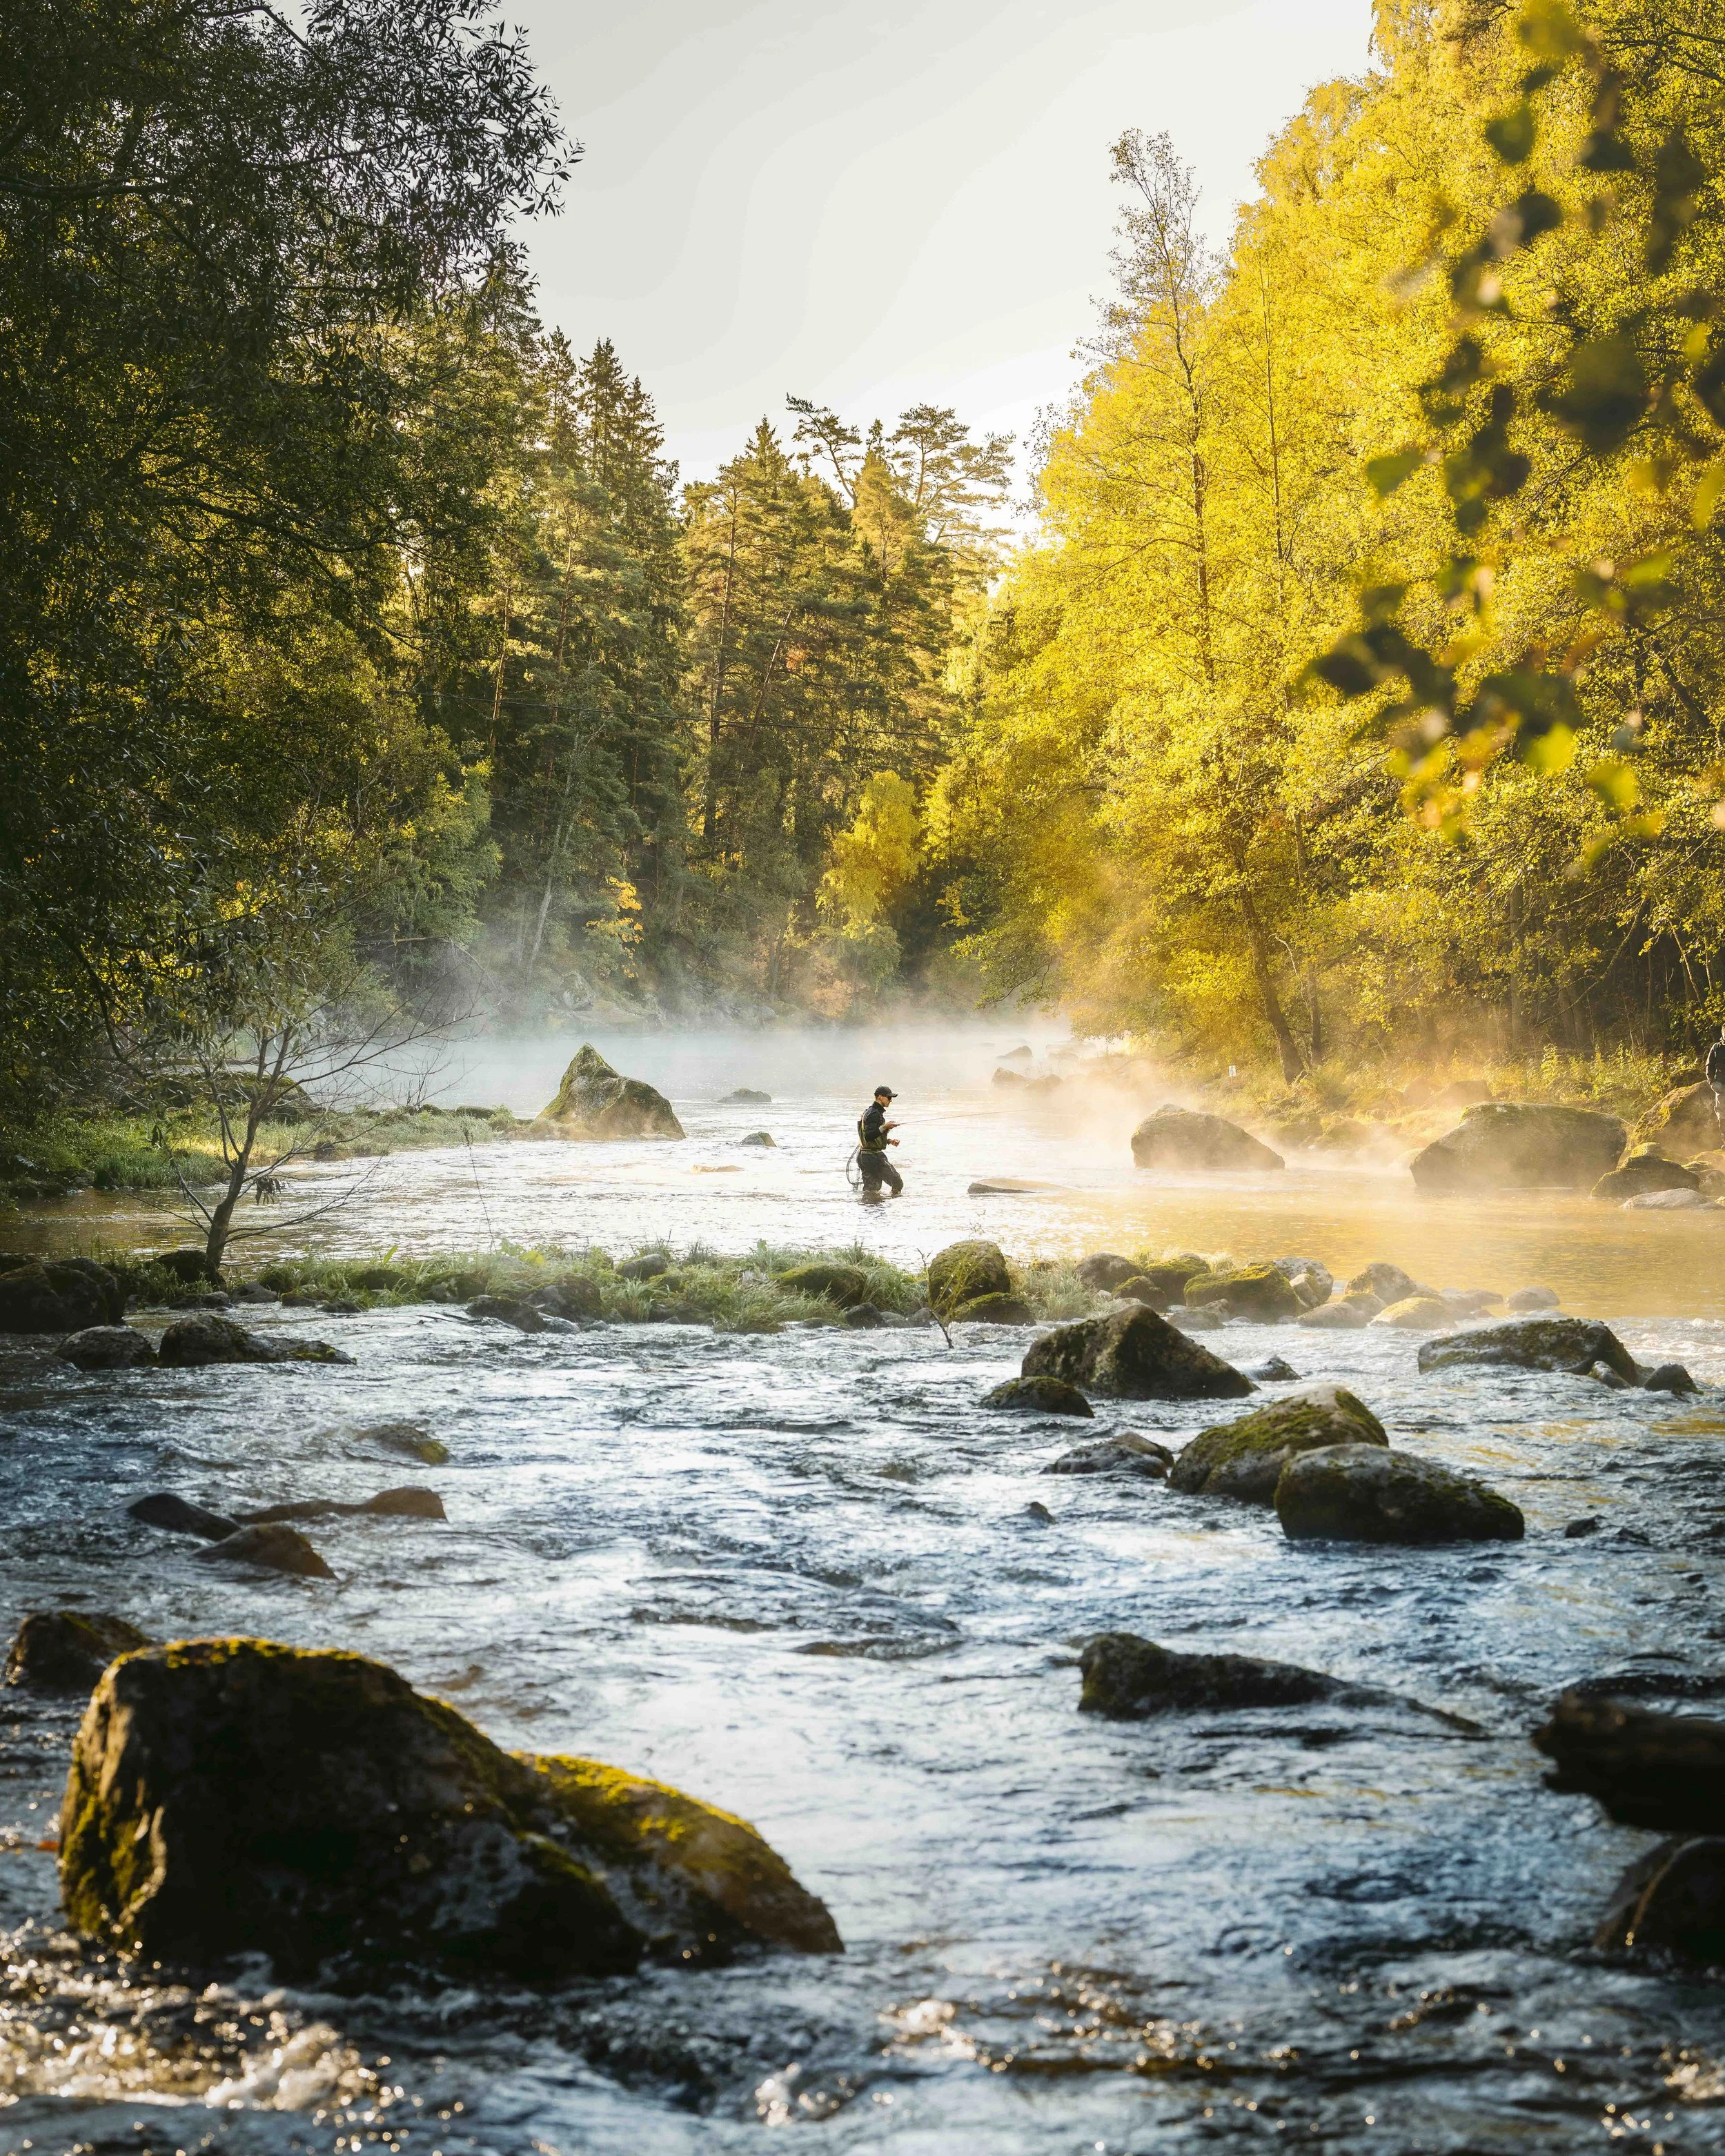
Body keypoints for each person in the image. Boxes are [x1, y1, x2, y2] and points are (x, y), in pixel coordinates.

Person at [856, 1085, 903, 1198]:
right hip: (873, 1157)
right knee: (897, 1183)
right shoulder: (874, 1114)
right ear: (880, 1097)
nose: (891, 1100)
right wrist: (885, 1127)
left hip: (865, 1156)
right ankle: (894, 1205)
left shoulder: (871, 1111)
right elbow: (868, 1136)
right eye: (889, 1097)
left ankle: (871, 1210)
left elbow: (871, 1137)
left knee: (872, 1189)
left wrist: (889, 1141)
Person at [1708, 1025, 1725, 1143]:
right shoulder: (1716, 1048)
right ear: (1723, 1033)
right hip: (1721, 1087)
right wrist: (1712, 1082)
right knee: (1722, 1115)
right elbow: (1709, 1067)